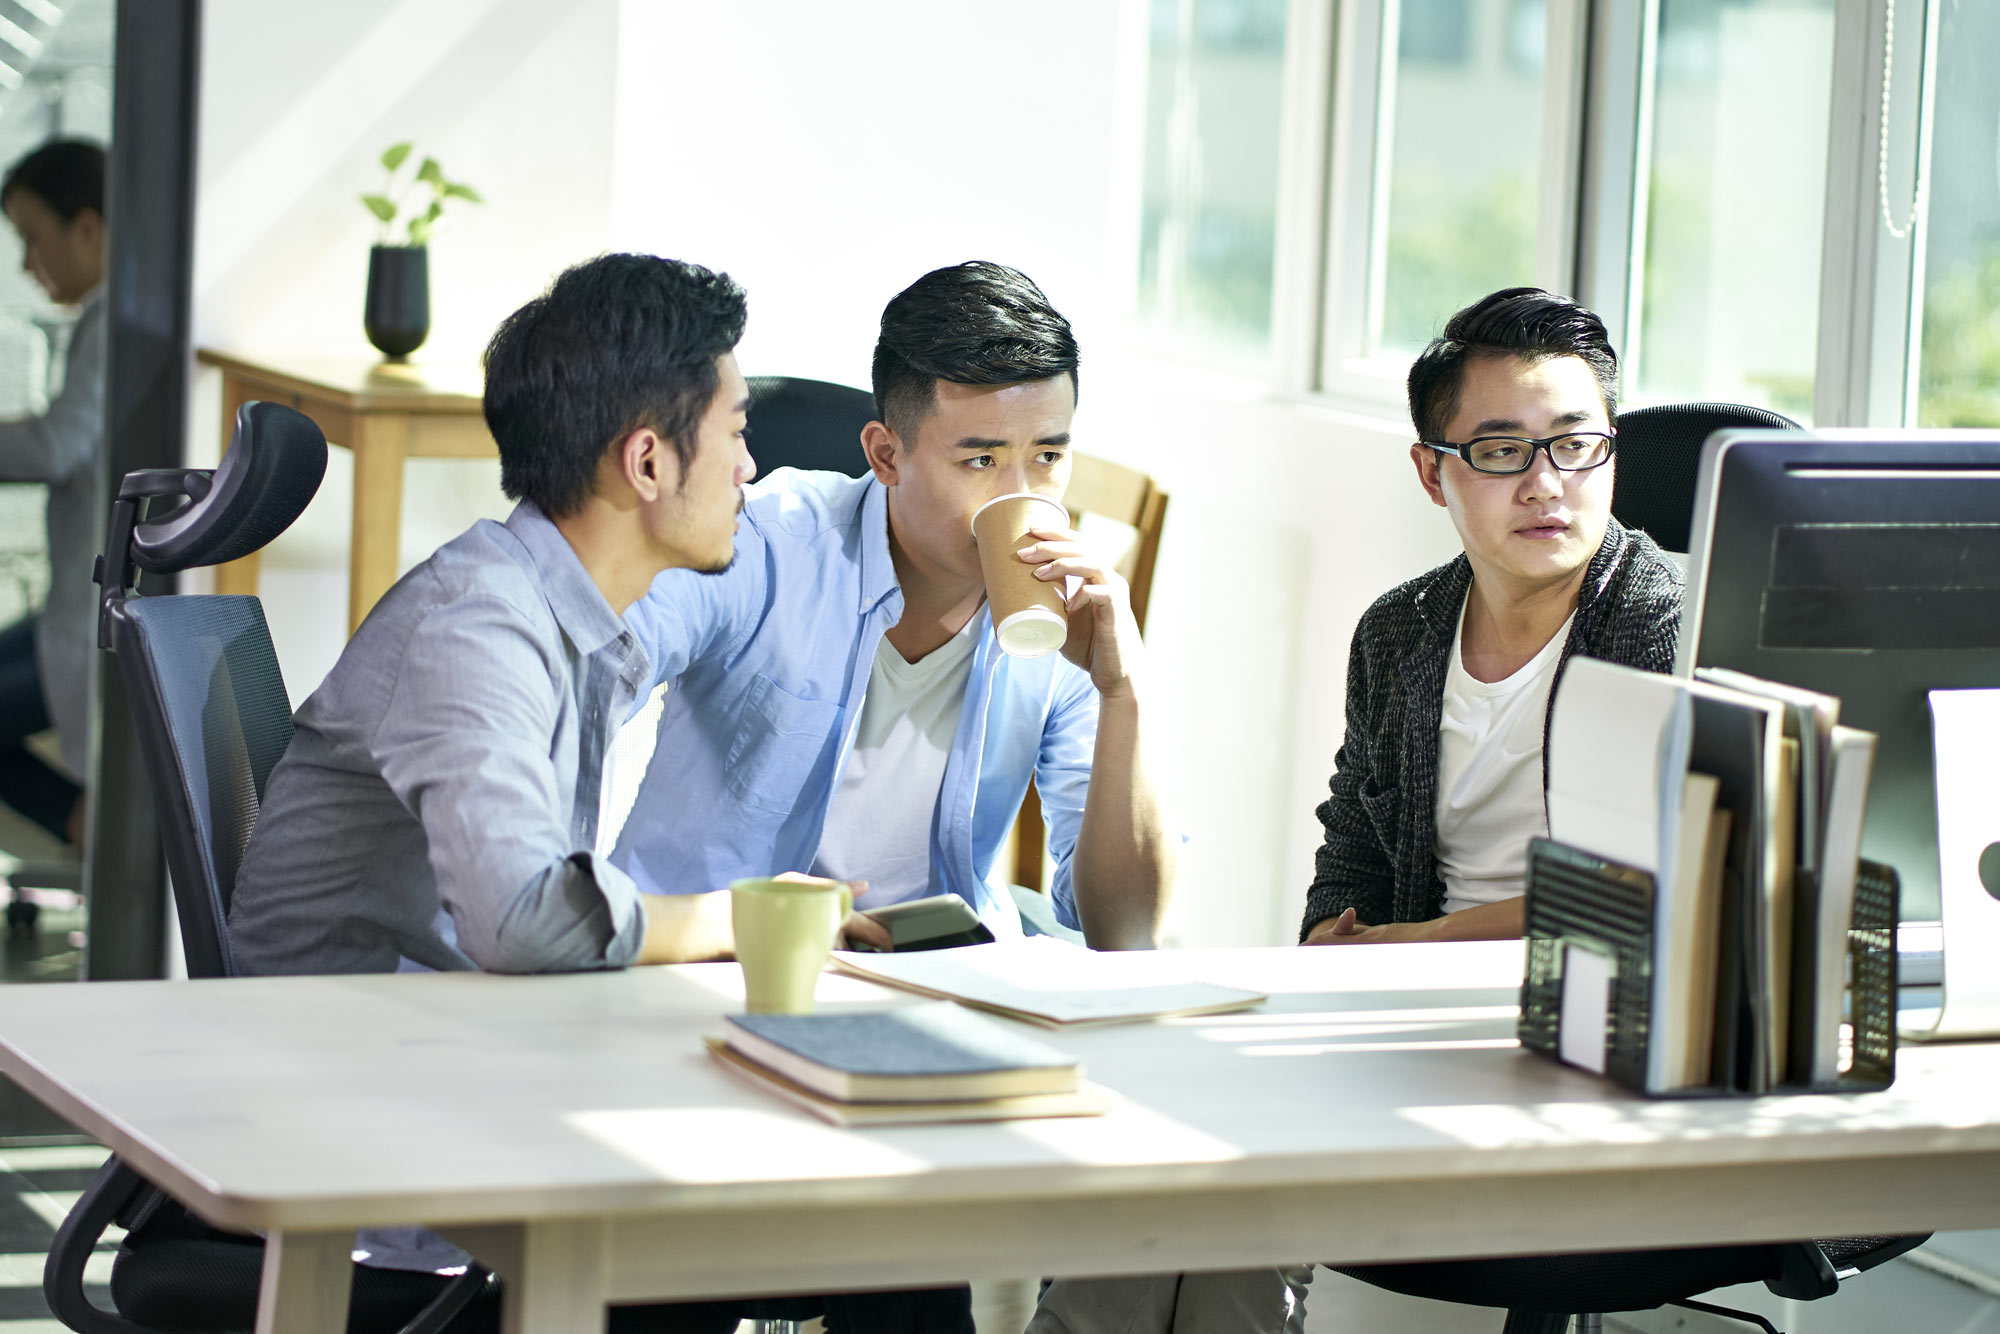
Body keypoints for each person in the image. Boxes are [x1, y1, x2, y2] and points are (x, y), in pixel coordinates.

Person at [613, 260, 1173, 949]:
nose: (1021, 495)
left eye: (1049, 457)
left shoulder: (1065, 619)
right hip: (712, 965)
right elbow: (580, 684)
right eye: (981, 461)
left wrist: (1124, 692)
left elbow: (1127, 932)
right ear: (885, 455)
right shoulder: (761, 545)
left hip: (939, 980)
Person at [1300, 286, 1683, 946]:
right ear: (1431, 474)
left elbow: (1636, 890)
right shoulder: (1396, 632)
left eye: (1574, 444)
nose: (1545, 484)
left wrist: (1419, 942)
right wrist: (1325, 943)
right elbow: (1352, 855)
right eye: (1503, 451)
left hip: (1593, 1002)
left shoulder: (1662, 631)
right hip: (1404, 996)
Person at [0, 139, 107, 852]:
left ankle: (86, 824)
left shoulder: (112, 319)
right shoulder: (107, 318)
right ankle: (81, 821)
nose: (26, 265)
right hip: (68, 608)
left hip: (86, 618)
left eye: (33, 239)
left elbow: (58, 445)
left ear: (88, 229)